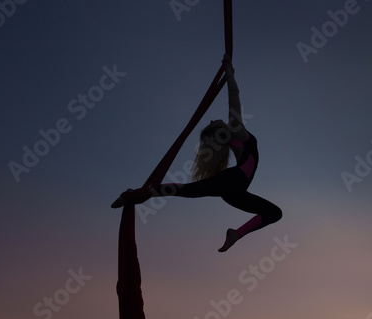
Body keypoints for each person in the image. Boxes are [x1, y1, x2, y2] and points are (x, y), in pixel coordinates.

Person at [112, 57, 282, 252]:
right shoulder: (236, 131)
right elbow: (234, 95)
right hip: (233, 182)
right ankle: (134, 195)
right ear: (219, 131)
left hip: (234, 191)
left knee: (273, 213)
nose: (211, 119)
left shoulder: (234, 138)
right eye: (211, 124)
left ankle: (236, 234)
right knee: (185, 190)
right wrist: (229, 73)